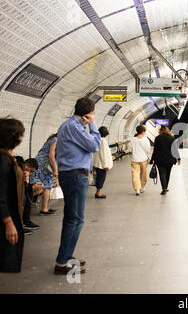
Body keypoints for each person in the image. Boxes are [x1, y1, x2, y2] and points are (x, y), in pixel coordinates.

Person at [54, 97, 101, 275]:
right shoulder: (73, 127)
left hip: (72, 175)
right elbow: (94, 145)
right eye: (92, 114)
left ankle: (66, 256)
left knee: (71, 218)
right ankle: (61, 262)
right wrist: (93, 125)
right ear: (87, 114)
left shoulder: (70, 126)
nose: (93, 117)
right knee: (76, 219)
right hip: (74, 176)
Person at [0, 118, 25, 272]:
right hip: (5, 218)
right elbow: (0, 194)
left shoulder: (8, 157)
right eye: (20, 134)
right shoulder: (3, 160)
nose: (22, 138)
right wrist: (9, 223)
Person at [29, 133, 58, 215]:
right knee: (44, 186)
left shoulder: (53, 140)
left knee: (47, 186)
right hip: (42, 166)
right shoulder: (56, 140)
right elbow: (51, 156)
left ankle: (45, 208)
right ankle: (44, 209)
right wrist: (55, 170)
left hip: (43, 166)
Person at [151, 125, 180, 195]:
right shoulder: (171, 138)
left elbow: (155, 150)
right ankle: (166, 187)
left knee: (162, 173)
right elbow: (175, 149)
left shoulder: (157, 138)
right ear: (167, 130)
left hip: (159, 160)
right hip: (169, 160)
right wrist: (178, 158)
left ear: (160, 131)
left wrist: (153, 159)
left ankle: (164, 188)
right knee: (167, 173)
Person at [15, 157, 40, 235]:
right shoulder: (17, 167)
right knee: (23, 198)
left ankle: (26, 220)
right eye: (31, 171)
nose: (31, 173)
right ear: (26, 165)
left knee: (29, 192)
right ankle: (19, 224)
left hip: (15, 187)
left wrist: (27, 183)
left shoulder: (22, 169)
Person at [92, 126, 113, 199]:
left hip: (97, 163)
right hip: (101, 164)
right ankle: (98, 193)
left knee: (99, 177)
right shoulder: (103, 141)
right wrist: (105, 165)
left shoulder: (96, 139)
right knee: (101, 178)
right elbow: (103, 154)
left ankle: (98, 192)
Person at [130, 125, 151, 196]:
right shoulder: (145, 139)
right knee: (143, 173)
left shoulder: (133, 139)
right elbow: (148, 149)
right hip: (143, 159)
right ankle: (142, 187)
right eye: (144, 131)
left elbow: (130, 149)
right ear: (142, 131)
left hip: (135, 159)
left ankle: (137, 189)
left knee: (135, 174)